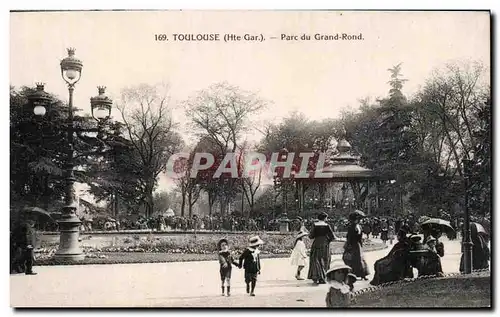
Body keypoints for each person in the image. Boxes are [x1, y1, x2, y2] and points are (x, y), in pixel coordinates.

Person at [307, 212, 337, 284]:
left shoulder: (314, 225)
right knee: (325, 259)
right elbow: (332, 237)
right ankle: (323, 277)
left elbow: (311, 236)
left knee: (315, 259)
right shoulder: (327, 225)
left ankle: (316, 276)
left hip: (316, 243)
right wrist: (328, 240)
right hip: (325, 244)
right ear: (325, 218)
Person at [343, 211, 369, 280]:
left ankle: (361, 274)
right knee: (356, 259)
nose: (360, 220)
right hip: (354, 244)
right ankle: (357, 274)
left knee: (358, 259)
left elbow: (353, 236)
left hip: (356, 244)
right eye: (358, 219)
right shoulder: (353, 226)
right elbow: (350, 237)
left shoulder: (357, 226)